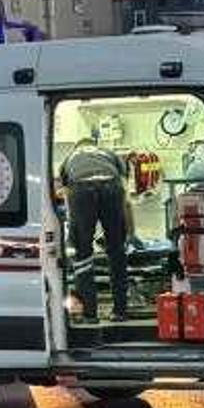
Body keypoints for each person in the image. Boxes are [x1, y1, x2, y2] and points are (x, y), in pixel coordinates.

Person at [61, 139, 134, 324]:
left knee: (83, 254)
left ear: (77, 148)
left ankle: (90, 314)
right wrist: (129, 231)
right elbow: (125, 193)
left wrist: (75, 233)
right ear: (95, 145)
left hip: (81, 188)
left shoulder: (70, 158)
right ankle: (120, 312)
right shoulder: (109, 154)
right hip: (112, 186)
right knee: (117, 252)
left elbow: (67, 194)